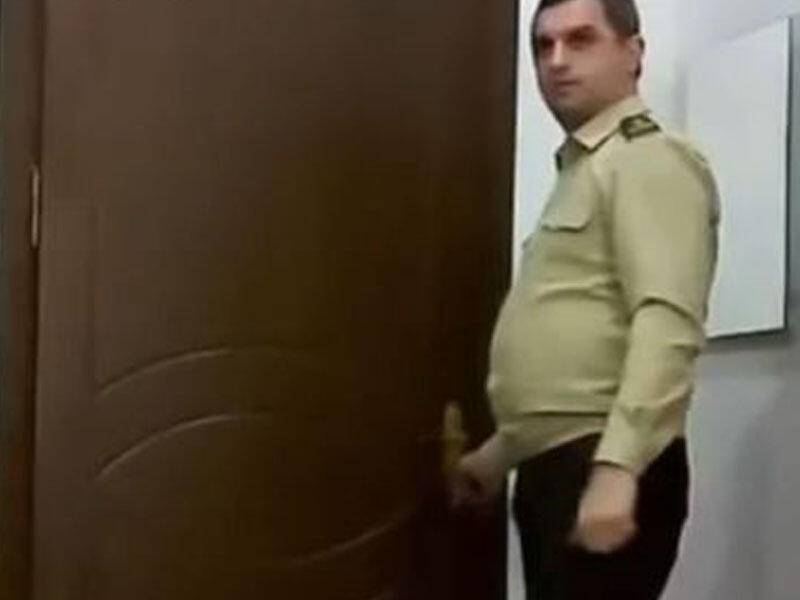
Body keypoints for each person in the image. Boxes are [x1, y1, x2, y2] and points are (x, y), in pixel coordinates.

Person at [450, 0, 720, 597]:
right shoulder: (585, 170)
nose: (557, 61)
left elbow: (668, 322)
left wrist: (618, 468)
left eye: (580, 40)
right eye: (543, 46)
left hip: (603, 462)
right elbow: (575, 358)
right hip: (558, 464)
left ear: (633, 53)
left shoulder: (647, 158)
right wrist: (498, 455)